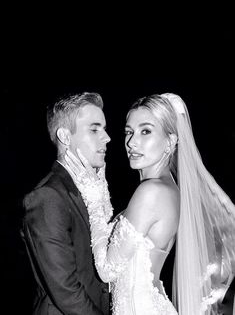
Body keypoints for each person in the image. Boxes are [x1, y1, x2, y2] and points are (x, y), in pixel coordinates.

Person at [64, 93, 235, 315]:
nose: (132, 142)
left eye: (146, 131)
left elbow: (107, 270)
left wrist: (95, 198)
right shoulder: (168, 189)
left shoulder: (151, 192)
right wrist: (101, 192)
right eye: (128, 132)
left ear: (171, 141)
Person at [21, 92, 112, 315]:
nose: (107, 137)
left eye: (104, 128)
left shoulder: (94, 188)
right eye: (94, 129)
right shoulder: (47, 197)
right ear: (65, 136)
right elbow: (67, 293)